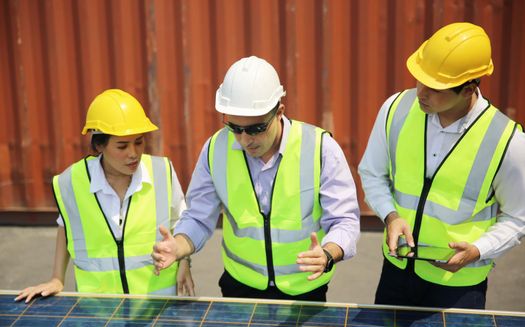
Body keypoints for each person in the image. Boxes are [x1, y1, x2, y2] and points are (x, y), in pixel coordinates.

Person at [152, 56, 360, 301]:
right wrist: (179, 246)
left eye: (255, 129)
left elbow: (344, 220)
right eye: (235, 128)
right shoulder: (215, 150)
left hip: (304, 289)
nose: (244, 139)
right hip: (239, 287)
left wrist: (327, 253)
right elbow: (198, 217)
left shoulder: (320, 148)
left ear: (279, 112)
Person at [358, 22, 525, 309]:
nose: (421, 92)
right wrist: (390, 216)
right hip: (397, 274)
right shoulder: (395, 109)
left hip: (458, 287)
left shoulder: (508, 141)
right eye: (419, 79)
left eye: (434, 88)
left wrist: (479, 250)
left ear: (469, 87)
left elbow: (518, 217)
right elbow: (372, 173)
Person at [16, 89, 195, 303]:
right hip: (97, 314)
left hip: (156, 311)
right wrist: (57, 278)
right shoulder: (71, 182)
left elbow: (182, 222)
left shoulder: (162, 172)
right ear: (99, 145)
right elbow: (66, 227)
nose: (133, 153)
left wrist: (184, 262)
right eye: (122, 146)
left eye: (139, 142)